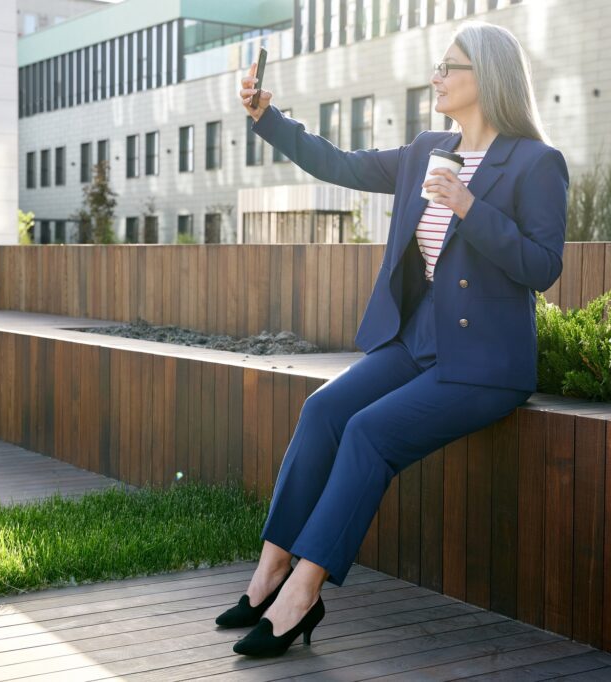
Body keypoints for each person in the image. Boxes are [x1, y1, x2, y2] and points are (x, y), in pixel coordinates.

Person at [219, 20, 569, 658]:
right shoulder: (427, 148)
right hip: (416, 341)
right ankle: (268, 574)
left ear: (484, 77)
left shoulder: (535, 163)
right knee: (324, 410)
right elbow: (342, 165)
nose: (435, 77)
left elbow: (543, 267)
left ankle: (304, 593)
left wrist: (469, 207)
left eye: (448, 67)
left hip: (485, 363)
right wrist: (268, 118)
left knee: (369, 432)